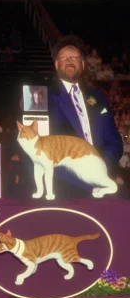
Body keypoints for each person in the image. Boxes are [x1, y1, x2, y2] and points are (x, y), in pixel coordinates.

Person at [48, 35, 123, 197]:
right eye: (64, 57)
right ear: (56, 64)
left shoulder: (98, 96)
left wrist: (102, 163)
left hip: (102, 180)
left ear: (82, 64)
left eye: (75, 57)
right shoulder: (43, 97)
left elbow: (114, 139)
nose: (70, 60)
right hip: (65, 188)